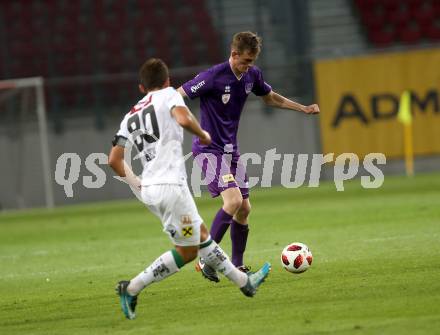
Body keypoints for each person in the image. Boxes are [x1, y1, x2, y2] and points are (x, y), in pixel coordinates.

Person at [108, 58, 271, 320]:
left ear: (141, 87)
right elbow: (183, 118)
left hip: (150, 190)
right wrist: (203, 134)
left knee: (202, 237)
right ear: (167, 81)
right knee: (187, 250)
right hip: (172, 187)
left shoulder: (130, 115)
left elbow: (114, 160)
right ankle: (132, 287)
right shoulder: (169, 95)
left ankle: (244, 282)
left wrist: (137, 182)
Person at [177, 31, 320, 282]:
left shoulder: (252, 75)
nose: (248, 66)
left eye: (252, 62)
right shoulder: (212, 76)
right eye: (245, 61)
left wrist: (303, 108)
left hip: (231, 150)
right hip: (208, 149)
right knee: (232, 202)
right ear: (233, 55)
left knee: (244, 209)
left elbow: (270, 98)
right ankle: (206, 258)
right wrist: (179, 122)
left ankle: (237, 265)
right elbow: (178, 94)